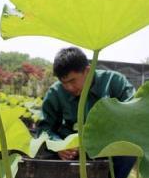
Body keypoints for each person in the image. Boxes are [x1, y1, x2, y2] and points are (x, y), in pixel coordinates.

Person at [38, 47, 137, 178]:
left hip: (106, 150)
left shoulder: (114, 82)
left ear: (88, 70)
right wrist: (58, 145)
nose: (68, 87)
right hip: (70, 153)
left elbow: (134, 115)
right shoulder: (55, 93)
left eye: (72, 81)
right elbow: (44, 128)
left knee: (128, 151)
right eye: (63, 83)